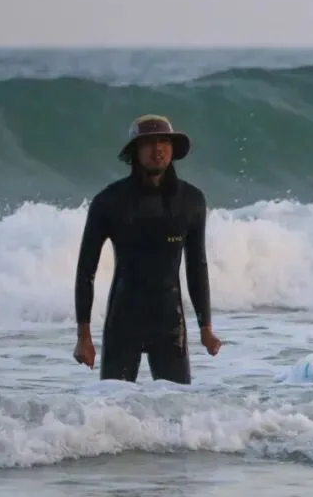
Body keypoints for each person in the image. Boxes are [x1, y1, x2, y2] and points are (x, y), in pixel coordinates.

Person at [73, 114, 222, 384]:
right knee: (113, 403)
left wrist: (206, 327)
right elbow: (86, 269)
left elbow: (196, 266)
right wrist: (84, 336)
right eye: (149, 143)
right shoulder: (110, 201)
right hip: (123, 323)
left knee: (176, 405)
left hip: (170, 324)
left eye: (164, 141)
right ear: (135, 151)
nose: (158, 149)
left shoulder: (191, 201)